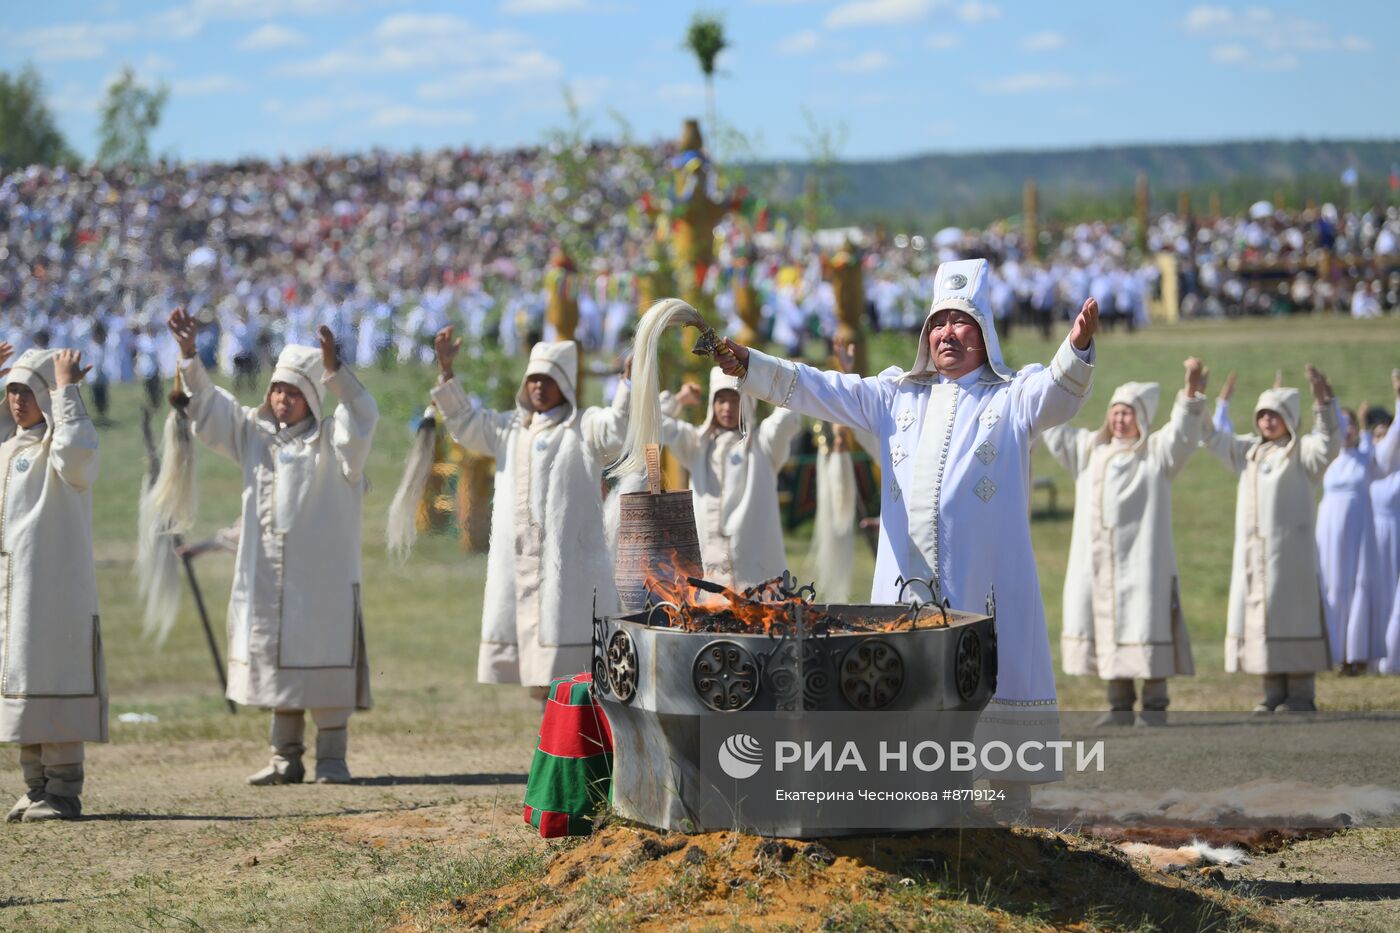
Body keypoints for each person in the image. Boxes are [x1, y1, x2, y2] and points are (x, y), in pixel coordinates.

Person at [718, 257, 1099, 795]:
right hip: (907, 586)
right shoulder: (895, 396)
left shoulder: (1013, 396)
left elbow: (1059, 397)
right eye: (938, 322)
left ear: (984, 331)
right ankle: (917, 810)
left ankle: (1008, 816)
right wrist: (751, 365)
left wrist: (1076, 348)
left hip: (985, 579)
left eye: (961, 321)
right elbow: (821, 388)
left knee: (993, 680)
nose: (948, 333)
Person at [166, 308, 379, 785]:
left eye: (294, 392)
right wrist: (188, 355)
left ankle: (331, 760)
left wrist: (335, 373)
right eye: (277, 390)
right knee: (276, 662)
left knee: (322, 660)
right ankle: (285, 758)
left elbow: (362, 416)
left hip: (321, 583)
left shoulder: (334, 444)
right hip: (266, 577)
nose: (282, 400)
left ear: (311, 397)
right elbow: (208, 409)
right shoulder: (253, 434)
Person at [428, 327, 628, 698]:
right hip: (519, 561)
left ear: (565, 384)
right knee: (534, 664)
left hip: (572, 565)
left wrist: (629, 386)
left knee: (572, 665)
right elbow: (467, 425)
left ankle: (571, 738)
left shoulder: (585, 426)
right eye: (533, 378)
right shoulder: (508, 428)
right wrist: (447, 372)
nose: (539, 386)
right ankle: (548, 736)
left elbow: (617, 430)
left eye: (548, 379)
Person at [1040, 360, 1208, 726]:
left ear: (1141, 418)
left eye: (1127, 413)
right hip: (1097, 561)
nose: (1119, 419)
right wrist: (1044, 386)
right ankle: (1118, 704)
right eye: (1115, 412)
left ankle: (1154, 704)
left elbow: (1182, 434)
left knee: (1145, 624)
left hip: (1142, 562)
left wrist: (1190, 393)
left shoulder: (1157, 454)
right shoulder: (1090, 451)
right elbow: (1054, 431)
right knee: (1105, 622)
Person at [1, 346, 105, 822]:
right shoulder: (8, 448)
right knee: (20, 682)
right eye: (12, 390)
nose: (18, 399)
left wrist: (66, 392)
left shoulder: (61, 449)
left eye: (28, 390)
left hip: (53, 591)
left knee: (52, 675)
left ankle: (63, 787)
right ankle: (35, 783)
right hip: (12, 592)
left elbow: (79, 456)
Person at [1201, 367, 1340, 712]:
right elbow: (1214, 439)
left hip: (1291, 558)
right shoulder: (1248, 452)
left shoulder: (1302, 454)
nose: (1266, 421)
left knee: (1293, 615)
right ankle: (1273, 691)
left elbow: (1329, 442)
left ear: (1289, 418)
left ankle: (1301, 693)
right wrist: (1198, 399)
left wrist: (1322, 400)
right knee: (1263, 617)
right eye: (1262, 414)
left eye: (1274, 414)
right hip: (1255, 557)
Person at [659, 368, 802, 590]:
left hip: (754, 572)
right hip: (709, 568)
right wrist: (679, 399)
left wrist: (764, 381)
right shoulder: (697, 444)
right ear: (711, 404)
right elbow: (659, 423)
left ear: (747, 402)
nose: (727, 408)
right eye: (721, 400)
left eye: (735, 400)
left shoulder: (763, 445)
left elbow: (786, 417)